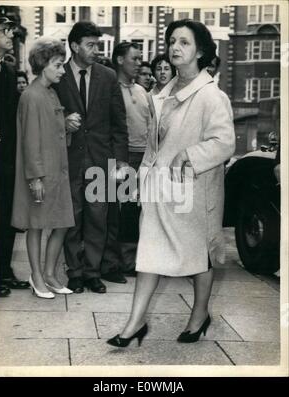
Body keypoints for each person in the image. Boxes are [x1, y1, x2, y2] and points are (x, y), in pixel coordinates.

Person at [107, 19, 235, 347]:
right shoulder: (161, 94)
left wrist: (189, 155)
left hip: (194, 190)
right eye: (172, 41)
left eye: (184, 43)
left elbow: (225, 143)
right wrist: (142, 178)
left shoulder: (211, 96)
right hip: (159, 189)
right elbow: (155, 144)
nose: (175, 48)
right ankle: (134, 324)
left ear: (201, 51)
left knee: (198, 257)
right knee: (149, 252)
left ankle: (199, 313)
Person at [53, 22, 129, 294]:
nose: (96, 50)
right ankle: (74, 272)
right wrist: (62, 121)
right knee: (72, 217)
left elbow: (119, 122)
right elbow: (48, 114)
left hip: (101, 160)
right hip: (69, 159)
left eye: (98, 44)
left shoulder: (108, 77)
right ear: (74, 46)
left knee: (99, 217)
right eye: (91, 45)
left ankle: (92, 272)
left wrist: (120, 161)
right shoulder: (58, 76)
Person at [11, 37, 75, 298]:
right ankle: (36, 276)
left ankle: (49, 274)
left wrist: (67, 125)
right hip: (40, 173)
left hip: (57, 171)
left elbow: (54, 133)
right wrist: (35, 177)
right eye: (58, 65)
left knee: (61, 223)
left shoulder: (50, 92)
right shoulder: (31, 95)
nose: (62, 70)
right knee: (36, 226)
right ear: (44, 64)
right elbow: (29, 140)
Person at [0, 17, 29, 297]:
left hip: (4, 159)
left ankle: (2, 271)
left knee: (5, 216)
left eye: (10, 30)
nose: (10, 33)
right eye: (2, 29)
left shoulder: (8, 70)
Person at [112, 42, 152, 275]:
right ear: (119, 60)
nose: (138, 64)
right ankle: (117, 260)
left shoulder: (142, 92)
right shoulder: (110, 89)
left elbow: (150, 126)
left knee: (134, 210)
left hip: (143, 157)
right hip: (121, 157)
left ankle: (131, 260)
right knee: (118, 208)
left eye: (140, 59)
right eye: (134, 59)